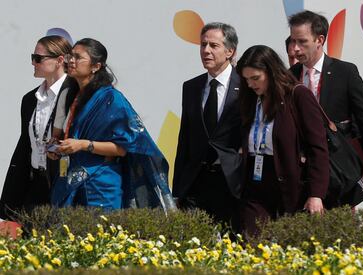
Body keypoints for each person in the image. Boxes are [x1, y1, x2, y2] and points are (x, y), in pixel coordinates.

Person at [50, 38, 175, 212]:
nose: (71, 60)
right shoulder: (71, 94)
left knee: (101, 238)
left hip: (101, 185)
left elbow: (123, 148)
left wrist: (84, 145)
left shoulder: (112, 99)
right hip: (70, 181)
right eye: (70, 56)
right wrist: (57, 147)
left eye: (78, 57)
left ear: (96, 66)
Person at [288, 10, 363, 208]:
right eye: (293, 41)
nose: (295, 49)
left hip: (337, 170)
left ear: (320, 39)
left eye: (302, 42)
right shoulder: (290, 76)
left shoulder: (345, 72)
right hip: (301, 173)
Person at [236, 45, 329, 236]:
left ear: (271, 72)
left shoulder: (297, 95)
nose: (251, 84)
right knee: (252, 246)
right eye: (246, 79)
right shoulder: (251, 99)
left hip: (292, 183)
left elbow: (318, 148)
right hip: (256, 181)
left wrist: (316, 194)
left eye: (256, 78)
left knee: (292, 250)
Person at [0, 35, 78, 219]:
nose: (33, 63)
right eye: (32, 58)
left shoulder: (75, 96)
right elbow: (27, 145)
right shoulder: (30, 99)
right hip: (36, 184)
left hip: (63, 184)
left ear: (59, 61)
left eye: (38, 58)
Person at [173, 22, 242, 227]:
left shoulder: (246, 86)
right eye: (203, 45)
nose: (206, 51)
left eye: (214, 45)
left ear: (230, 51)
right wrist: (178, 190)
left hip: (231, 183)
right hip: (195, 183)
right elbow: (185, 138)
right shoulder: (191, 87)